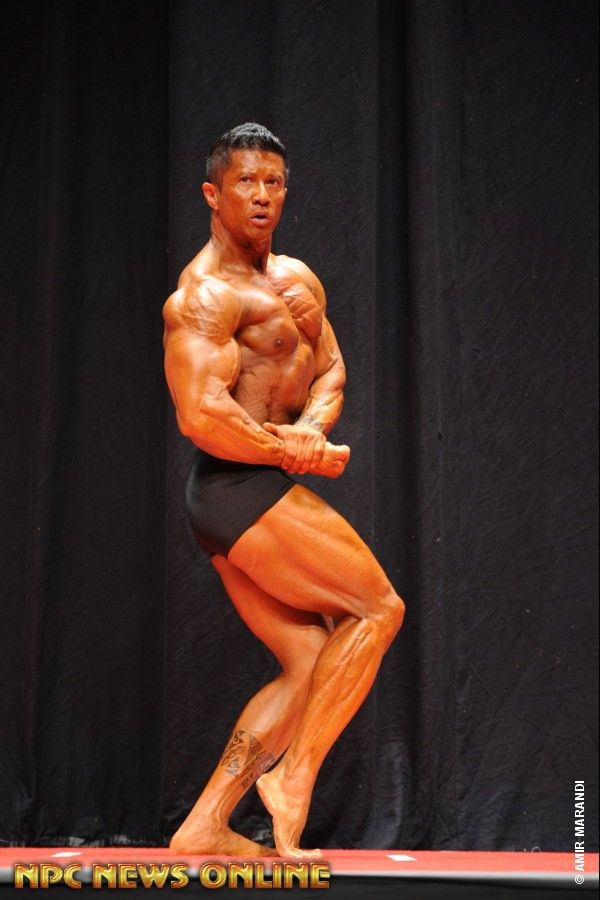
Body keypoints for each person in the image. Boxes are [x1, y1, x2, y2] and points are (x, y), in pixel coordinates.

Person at [163, 123, 405, 859]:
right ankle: (293, 778)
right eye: (246, 181)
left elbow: (330, 369)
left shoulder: (297, 279)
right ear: (213, 194)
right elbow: (200, 415)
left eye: (274, 182)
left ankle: (204, 823)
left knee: (308, 661)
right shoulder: (204, 296)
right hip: (233, 485)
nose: (263, 195)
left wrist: (311, 430)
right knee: (377, 608)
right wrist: (289, 450)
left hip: (255, 482)